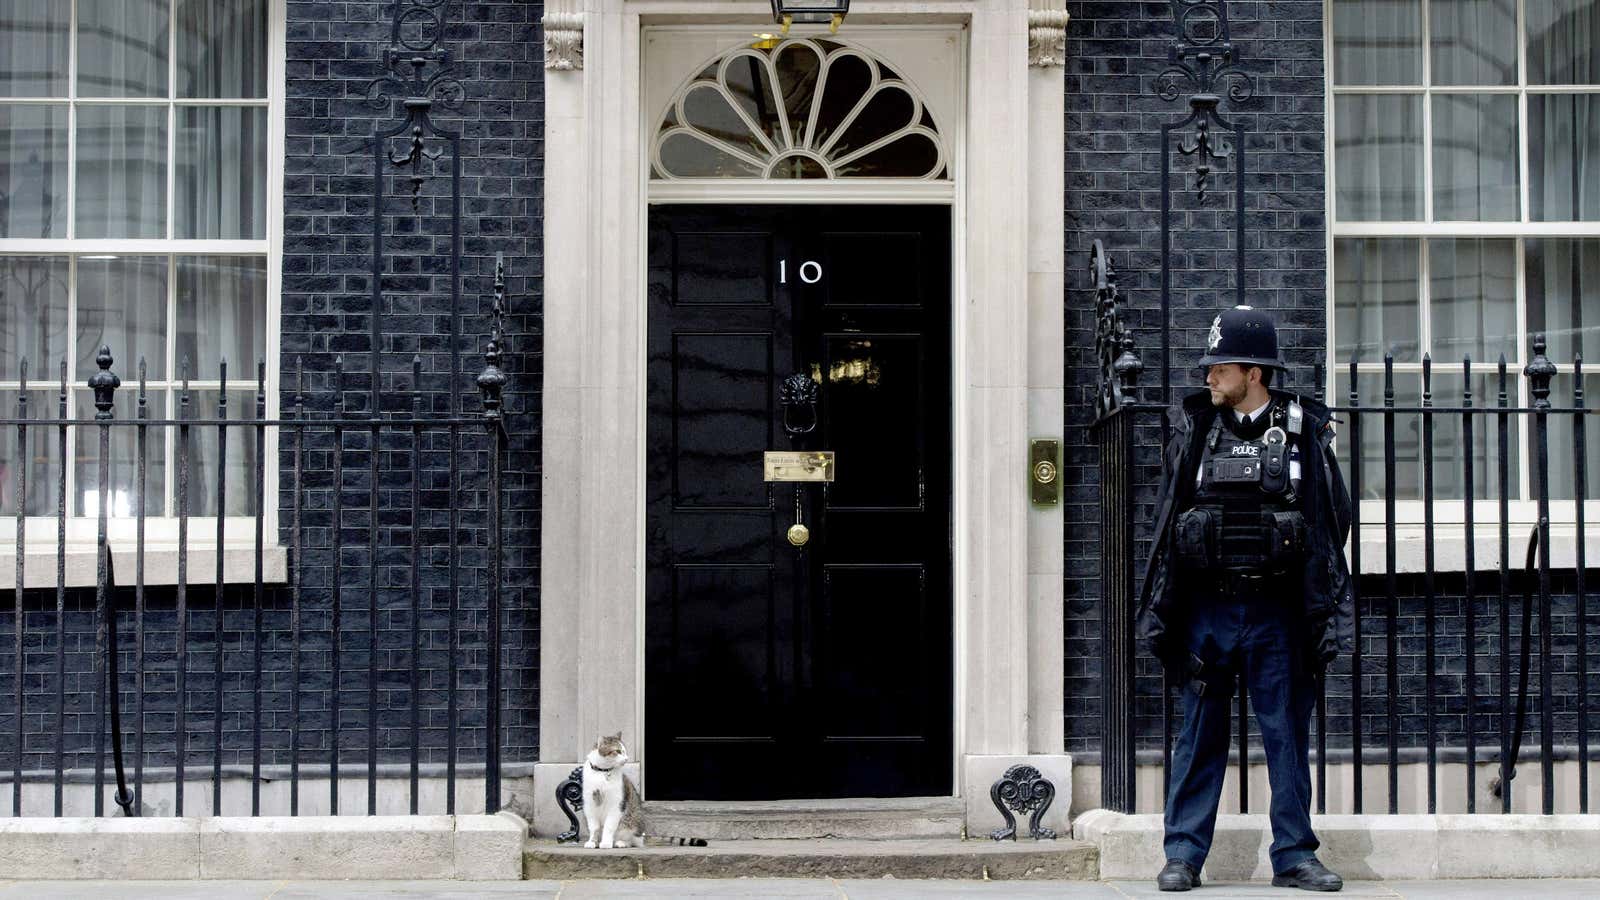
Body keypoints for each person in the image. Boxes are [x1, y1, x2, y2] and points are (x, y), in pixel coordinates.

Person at [1135, 305, 1354, 893]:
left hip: (1276, 612)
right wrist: (1165, 610)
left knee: (1285, 736)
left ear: (1253, 372)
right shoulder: (1195, 429)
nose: (1208, 376)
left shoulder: (1305, 428)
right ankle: (1183, 854)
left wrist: (1323, 610)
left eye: (1219, 366)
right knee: (1199, 734)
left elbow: (1333, 519)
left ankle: (1294, 856)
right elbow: (1165, 522)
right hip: (1208, 610)